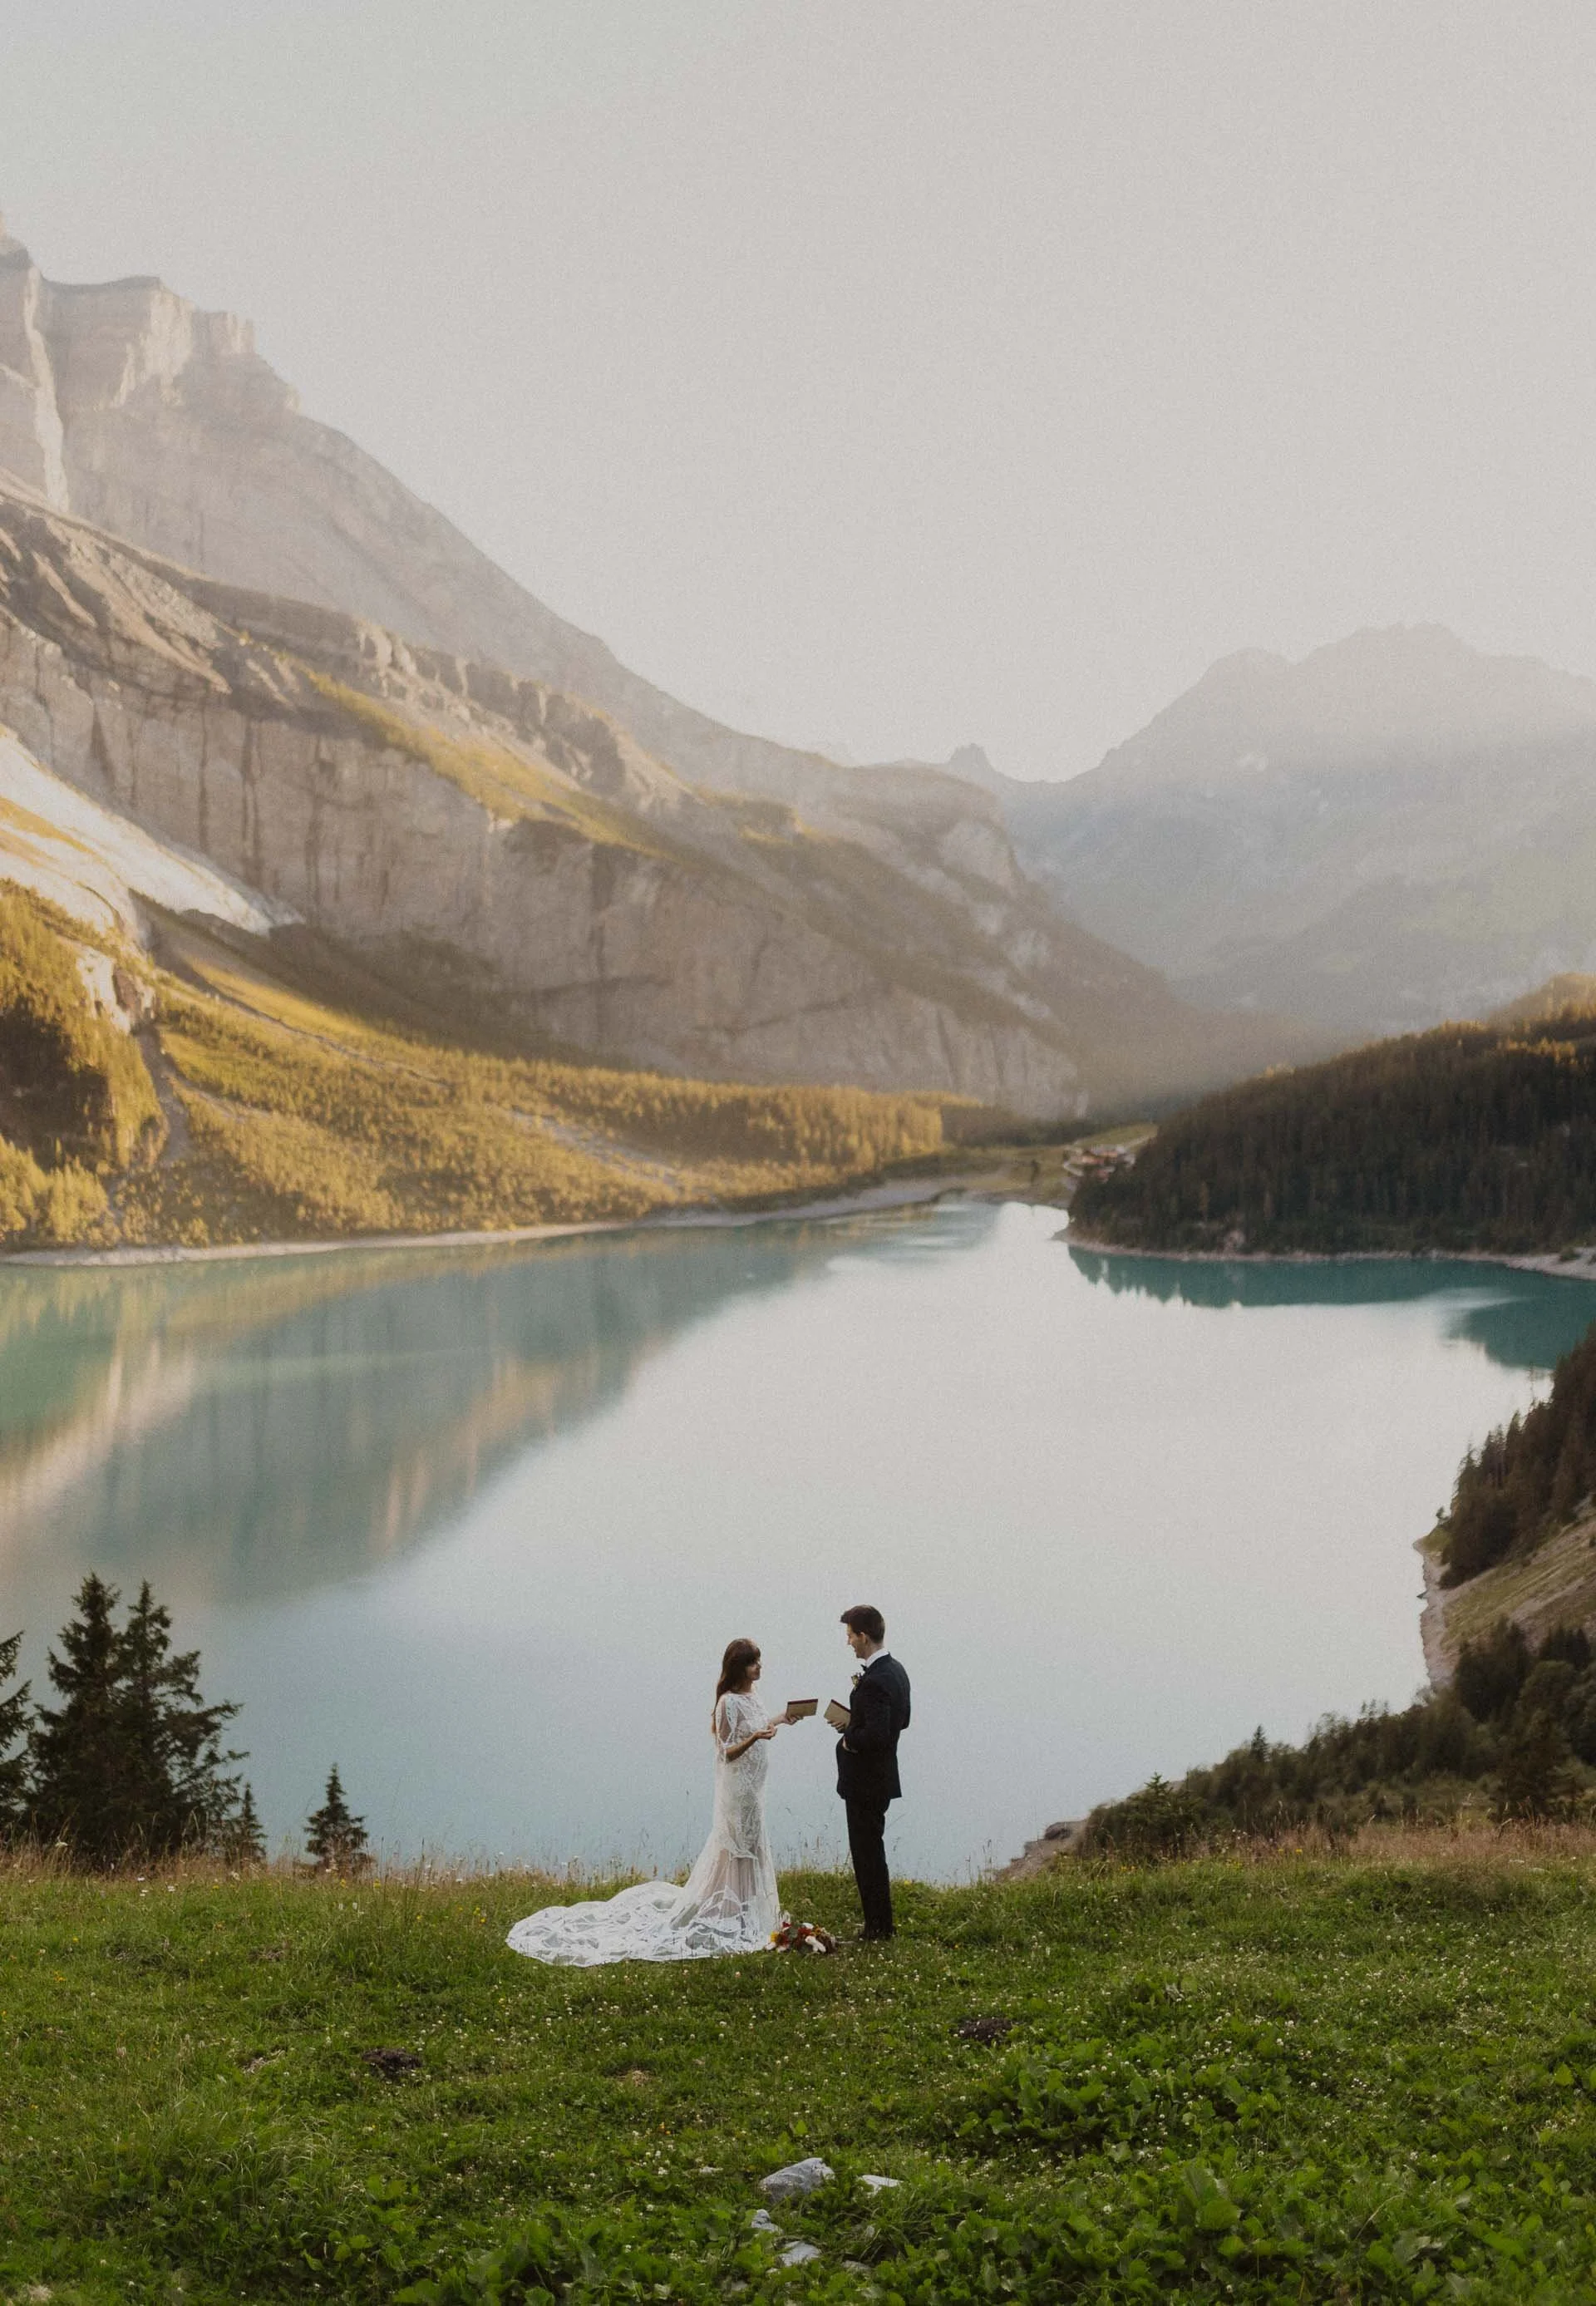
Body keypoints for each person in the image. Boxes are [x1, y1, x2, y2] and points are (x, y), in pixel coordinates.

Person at [505, 1638, 796, 1965]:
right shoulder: (728, 1702)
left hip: (755, 1788)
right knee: (737, 1846)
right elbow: (726, 1752)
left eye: (759, 1661)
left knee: (753, 1843)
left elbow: (758, 1727)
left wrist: (781, 1719)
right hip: (738, 1788)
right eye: (752, 1663)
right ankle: (730, 1909)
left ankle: (746, 1908)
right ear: (738, 1668)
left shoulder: (752, 1696)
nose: (759, 1667)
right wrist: (756, 1737)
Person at [835, 1604, 910, 1941]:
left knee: (867, 1856)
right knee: (871, 1851)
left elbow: (877, 1735)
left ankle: (878, 1928)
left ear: (863, 1636)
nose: (849, 1642)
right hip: (880, 1779)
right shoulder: (896, 1671)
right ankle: (879, 1923)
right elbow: (902, 1721)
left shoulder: (877, 1680)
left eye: (850, 1636)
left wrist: (850, 1738)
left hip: (866, 1781)